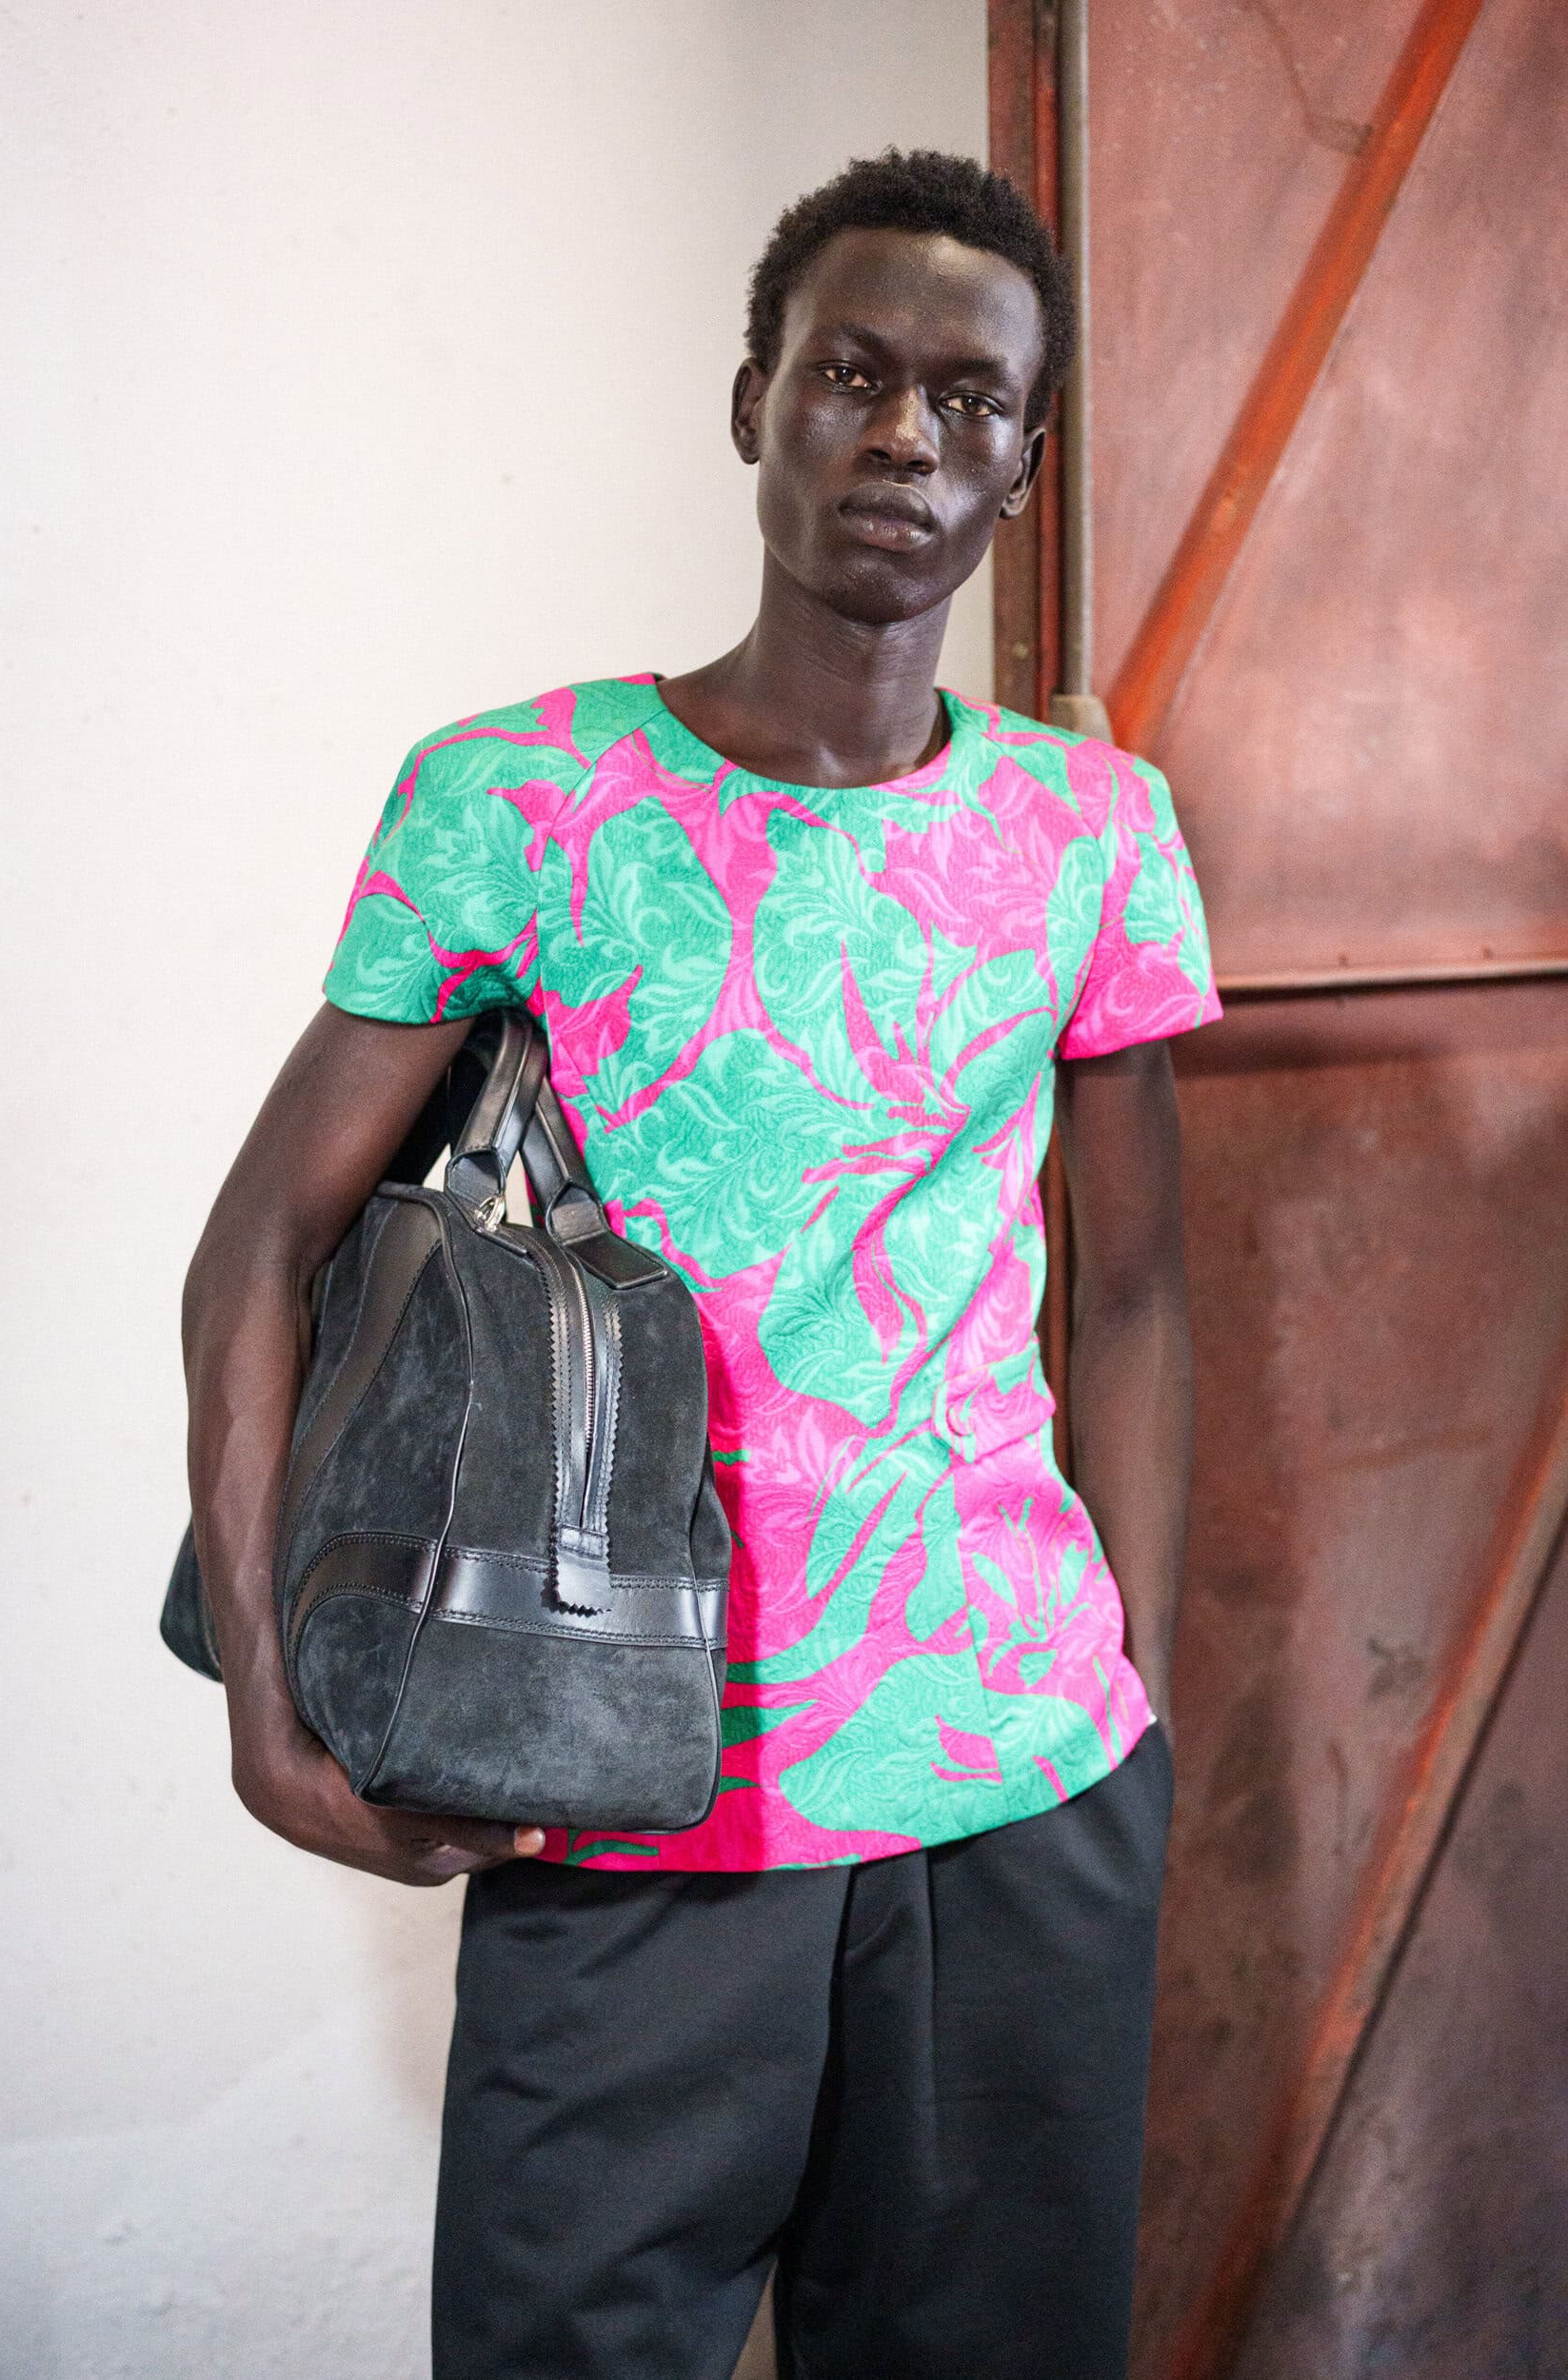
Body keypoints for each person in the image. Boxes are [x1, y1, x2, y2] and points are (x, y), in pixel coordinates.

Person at [182, 147, 1220, 2380]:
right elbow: (264, 1238)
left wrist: (1129, 1703)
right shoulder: (521, 797)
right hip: (624, 1776)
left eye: (969, 397)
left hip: (1017, 1798)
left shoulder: (1095, 833)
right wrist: (265, 1700)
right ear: (755, 401)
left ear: (1026, 463)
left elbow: (1134, 1291)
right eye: (853, 373)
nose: (908, 435)